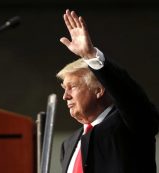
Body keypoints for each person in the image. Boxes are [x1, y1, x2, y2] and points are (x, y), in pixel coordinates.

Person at [57, 9, 159, 173]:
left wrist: (91, 56)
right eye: (64, 89)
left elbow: (130, 96)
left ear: (98, 90)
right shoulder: (68, 144)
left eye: (72, 87)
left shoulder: (129, 124)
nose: (65, 96)